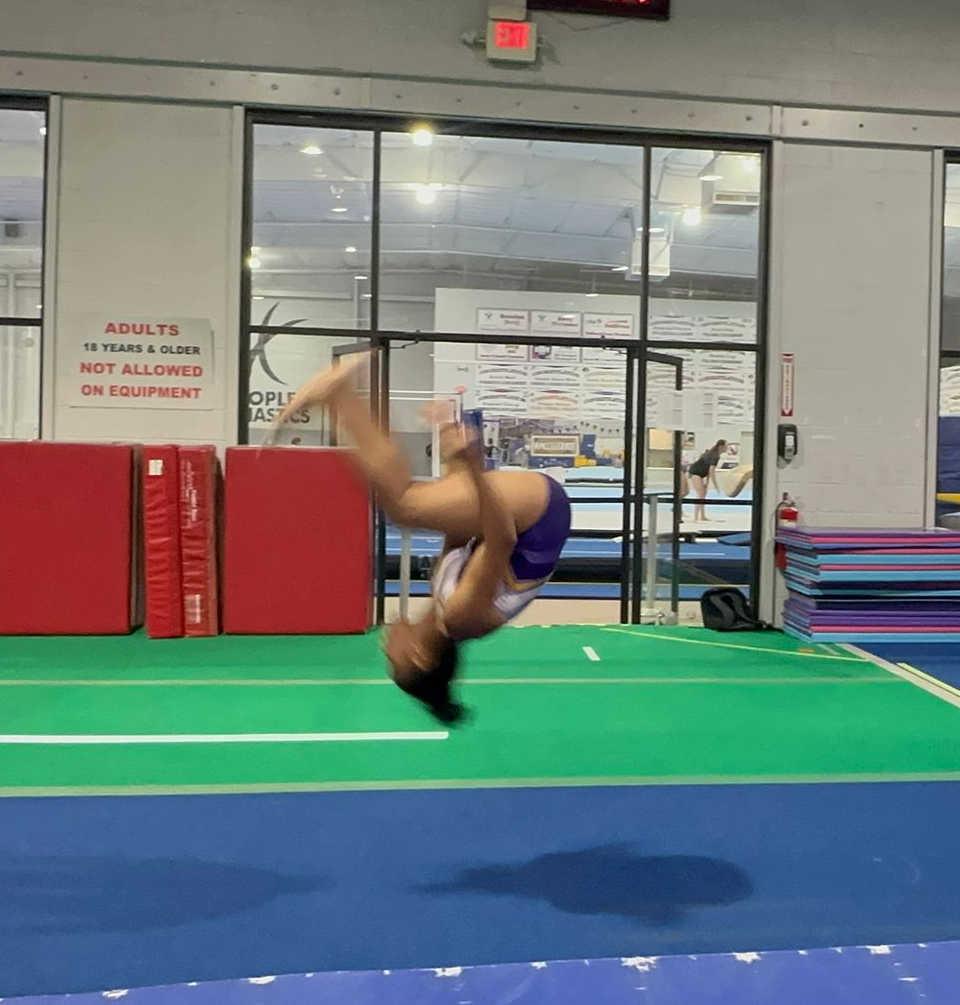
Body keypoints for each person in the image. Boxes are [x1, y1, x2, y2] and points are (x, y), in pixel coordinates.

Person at [271, 354, 572, 725]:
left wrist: (454, 458)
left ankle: (339, 396)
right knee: (406, 506)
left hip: (521, 521)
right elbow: (501, 538)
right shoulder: (464, 617)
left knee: (403, 504)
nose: (384, 648)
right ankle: (338, 393)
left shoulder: (442, 602)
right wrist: (474, 467)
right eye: (390, 658)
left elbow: (460, 527)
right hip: (540, 516)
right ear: (418, 656)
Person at [684, 439, 727, 522]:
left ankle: (702, 516)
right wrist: (715, 485)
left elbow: (708, 471)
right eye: (726, 446)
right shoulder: (714, 456)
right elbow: (711, 472)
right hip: (695, 472)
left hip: (701, 473)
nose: (727, 448)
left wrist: (707, 484)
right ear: (721, 446)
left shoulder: (715, 455)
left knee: (703, 493)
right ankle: (696, 517)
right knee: (700, 494)